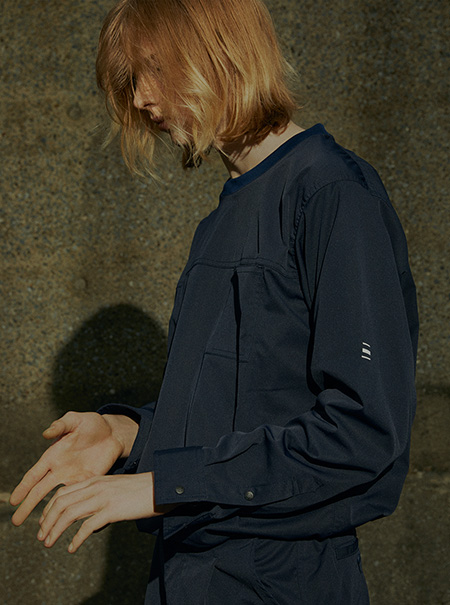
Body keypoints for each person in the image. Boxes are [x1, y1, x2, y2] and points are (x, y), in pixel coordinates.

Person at [10, 0, 419, 603]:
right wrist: (126, 434)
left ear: (218, 49)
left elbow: (362, 435)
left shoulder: (333, 194)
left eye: (153, 68)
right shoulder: (221, 220)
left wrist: (160, 486)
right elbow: (233, 418)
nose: (141, 98)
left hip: (281, 583)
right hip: (187, 578)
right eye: (132, 80)